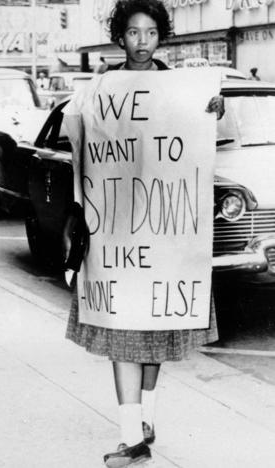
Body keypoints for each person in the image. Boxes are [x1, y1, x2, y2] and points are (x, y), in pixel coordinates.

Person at [62, 0, 221, 466]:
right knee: (121, 333)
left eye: (151, 33)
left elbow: (203, 139)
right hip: (114, 237)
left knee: (152, 334)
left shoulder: (181, 89)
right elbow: (77, 143)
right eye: (133, 33)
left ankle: (145, 420)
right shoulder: (98, 90)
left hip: (164, 238)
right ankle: (132, 436)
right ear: (120, 36)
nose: (142, 41)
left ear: (162, 37)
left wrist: (211, 109)